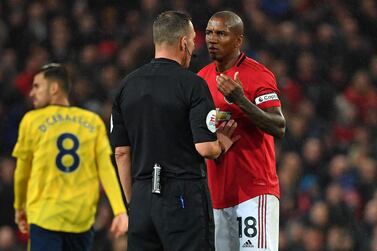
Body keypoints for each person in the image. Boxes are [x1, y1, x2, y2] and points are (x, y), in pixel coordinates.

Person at [110, 10, 238, 251]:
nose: (194, 47)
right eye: (192, 41)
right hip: (182, 196)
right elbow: (206, 147)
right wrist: (221, 142)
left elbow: (121, 154)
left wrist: (134, 203)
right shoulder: (193, 85)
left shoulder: (125, 87)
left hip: (142, 196)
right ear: (183, 43)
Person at [12, 63, 128, 251]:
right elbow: (106, 170)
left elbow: (22, 173)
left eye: (36, 86)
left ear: (54, 88)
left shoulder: (32, 120)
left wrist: (19, 207)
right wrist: (119, 210)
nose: (32, 93)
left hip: (45, 216)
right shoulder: (92, 121)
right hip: (81, 219)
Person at [198, 11, 286, 251]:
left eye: (221, 33)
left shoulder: (257, 75)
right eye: (209, 33)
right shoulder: (201, 79)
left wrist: (240, 100)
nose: (212, 39)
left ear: (238, 40)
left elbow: (279, 126)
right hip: (216, 196)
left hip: (253, 192)